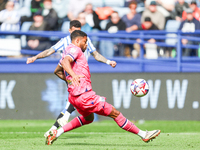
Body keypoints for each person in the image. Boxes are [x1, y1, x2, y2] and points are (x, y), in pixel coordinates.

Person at [45, 30, 161, 145]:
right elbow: (66, 61)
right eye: (85, 42)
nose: (86, 45)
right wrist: (74, 76)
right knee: (114, 113)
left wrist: (70, 80)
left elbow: (57, 71)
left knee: (88, 118)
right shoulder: (75, 49)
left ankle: (57, 132)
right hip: (85, 96)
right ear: (77, 40)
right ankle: (143, 135)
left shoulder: (66, 51)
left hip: (74, 98)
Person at [26, 20, 117, 137]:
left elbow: (96, 55)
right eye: (74, 31)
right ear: (70, 31)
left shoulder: (85, 40)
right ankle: (59, 124)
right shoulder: (65, 41)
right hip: (73, 76)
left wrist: (109, 62)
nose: (76, 34)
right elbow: (50, 51)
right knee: (77, 101)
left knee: (73, 104)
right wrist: (35, 57)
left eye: (78, 31)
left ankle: (55, 128)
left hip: (82, 76)